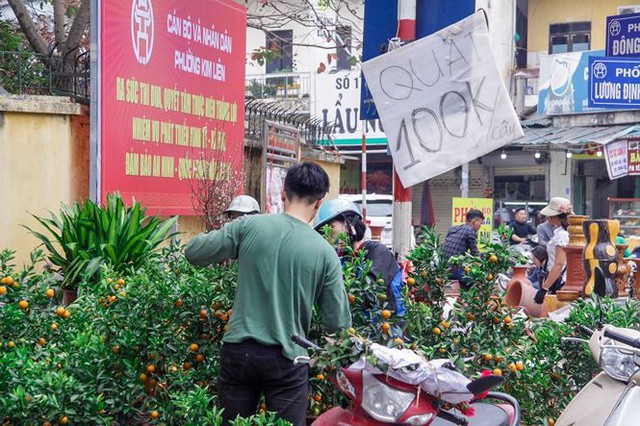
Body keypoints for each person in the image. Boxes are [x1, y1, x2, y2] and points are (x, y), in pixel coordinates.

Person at [185, 162, 351, 426]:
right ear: (319, 203)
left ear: (283, 194)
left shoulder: (248, 227)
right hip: (288, 360)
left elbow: (194, 252)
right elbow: (338, 324)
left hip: (239, 352)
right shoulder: (325, 253)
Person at [313, 198, 405, 316]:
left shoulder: (378, 252)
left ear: (349, 223)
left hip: (387, 329)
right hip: (356, 331)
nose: (327, 236)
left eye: (330, 227)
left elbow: (369, 293)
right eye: (322, 232)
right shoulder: (343, 261)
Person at [534, 197, 573, 304]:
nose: (548, 218)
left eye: (551, 216)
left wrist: (544, 288)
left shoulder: (562, 235)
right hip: (557, 278)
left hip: (560, 280)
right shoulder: (561, 232)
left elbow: (559, 264)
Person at [442, 209, 485, 289]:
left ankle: (461, 298)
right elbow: (475, 254)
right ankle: (467, 300)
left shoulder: (453, 228)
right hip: (453, 270)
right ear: (475, 221)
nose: (480, 225)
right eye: (480, 222)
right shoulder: (471, 231)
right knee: (476, 280)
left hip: (442, 268)